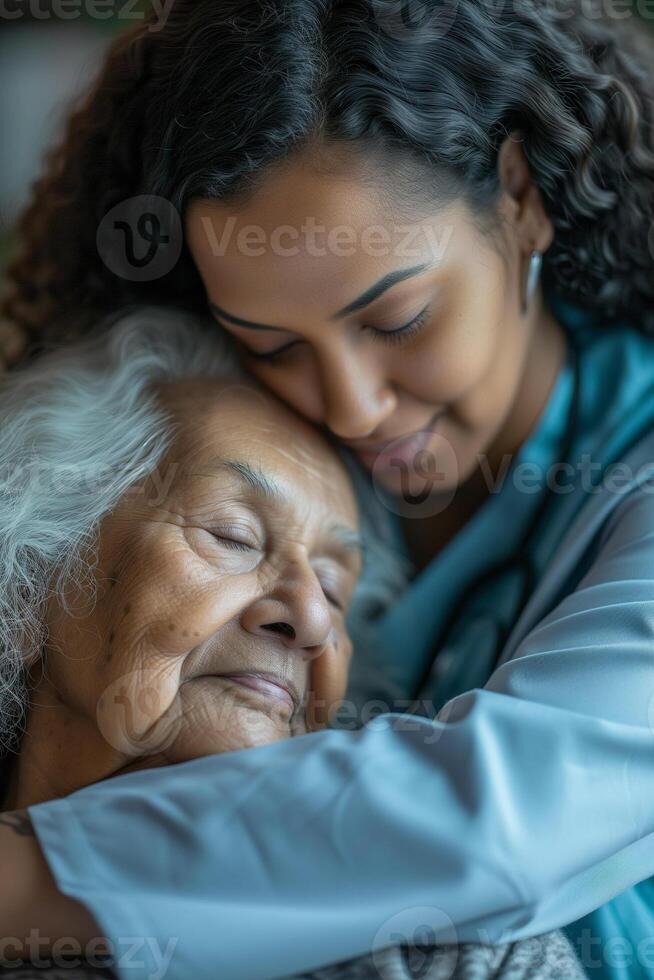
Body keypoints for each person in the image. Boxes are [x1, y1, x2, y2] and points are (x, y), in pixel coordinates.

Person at [1, 1, 653, 978]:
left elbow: (504, 812)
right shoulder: (228, 430)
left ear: (520, 197)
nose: (351, 410)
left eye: (398, 317)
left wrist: (25, 887)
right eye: (273, 345)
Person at [0, 309, 583, 980]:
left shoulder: (448, 947)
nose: (310, 618)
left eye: (335, 590)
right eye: (232, 536)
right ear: (28, 588)